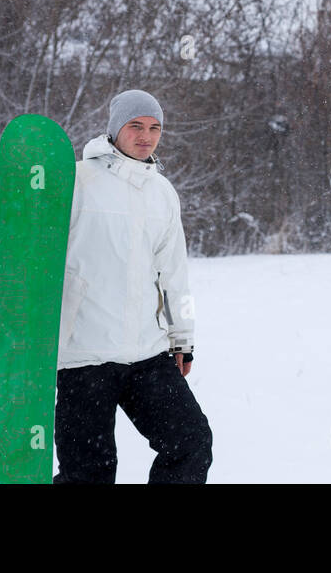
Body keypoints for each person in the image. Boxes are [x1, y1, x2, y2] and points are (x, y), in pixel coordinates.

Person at [53, 89, 213, 483]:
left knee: (191, 442)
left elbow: (173, 273)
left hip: (147, 352)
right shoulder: (76, 179)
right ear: (114, 130)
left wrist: (182, 338)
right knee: (89, 472)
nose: (146, 136)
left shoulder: (162, 193)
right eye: (136, 126)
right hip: (83, 355)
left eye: (155, 128)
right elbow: (33, 243)